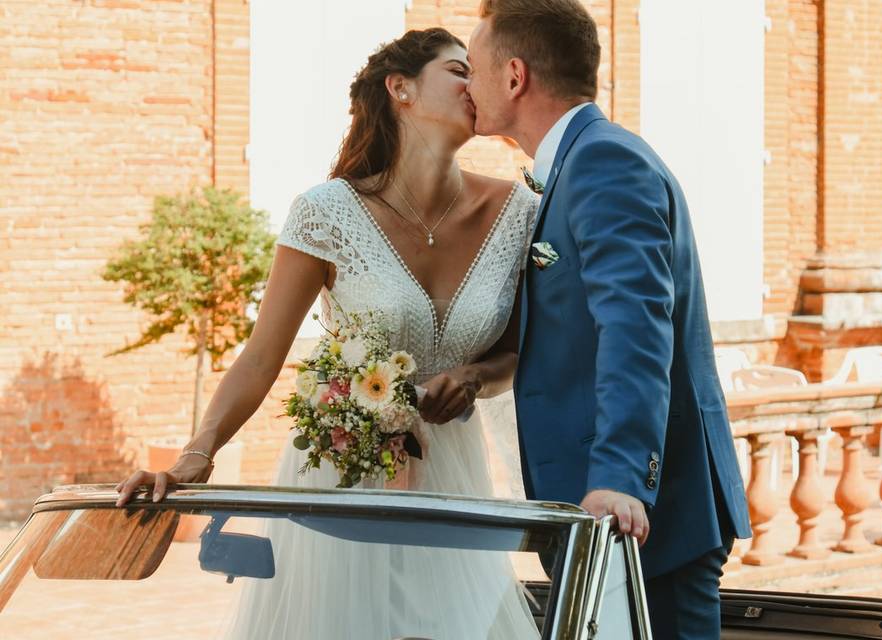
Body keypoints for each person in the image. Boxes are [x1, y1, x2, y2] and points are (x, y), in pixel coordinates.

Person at [115, 28, 540, 639]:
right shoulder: (324, 212)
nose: (477, 84)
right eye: (458, 70)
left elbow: (519, 355)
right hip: (341, 476)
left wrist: (475, 377)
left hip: (452, 477)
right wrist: (195, 456)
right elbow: (262, 357)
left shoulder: (518, 213)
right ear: (402, 89)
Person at [466, 1, 752, 637]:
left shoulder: (603, 163)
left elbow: (636, 327)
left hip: (644, 522)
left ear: (514, 77)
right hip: (598, 520)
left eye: (474, 69)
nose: (466, 84)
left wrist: (620, 479)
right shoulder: (579, 162)